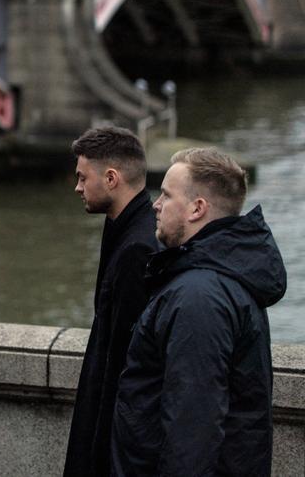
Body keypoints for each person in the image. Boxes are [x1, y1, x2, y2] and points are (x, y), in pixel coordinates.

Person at [112, 147, 287, 476]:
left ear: (197, 208)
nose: (155, 205)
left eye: (165, 194)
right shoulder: (218, 280)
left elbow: (193, 429)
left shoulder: (198, 297)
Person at [63, 127, 158, 477]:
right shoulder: (131, 230)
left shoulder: (137, 250)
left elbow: (123, 361)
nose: (77, 187)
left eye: (82, 177)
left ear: (112, 178)